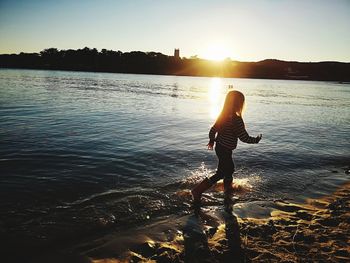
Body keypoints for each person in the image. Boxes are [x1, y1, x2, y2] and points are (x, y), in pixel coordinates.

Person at [191, 90, 262, 203]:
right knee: (223, 172)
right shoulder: (236, 120)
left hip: (220, 147)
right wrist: (255, 140)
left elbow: (212, 130)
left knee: (227, 171)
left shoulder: (223, 116)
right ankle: (198, 190)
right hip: (225, 149)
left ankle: (227, 192)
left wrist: (212, 140)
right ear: (239, 104)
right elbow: (243, 137)